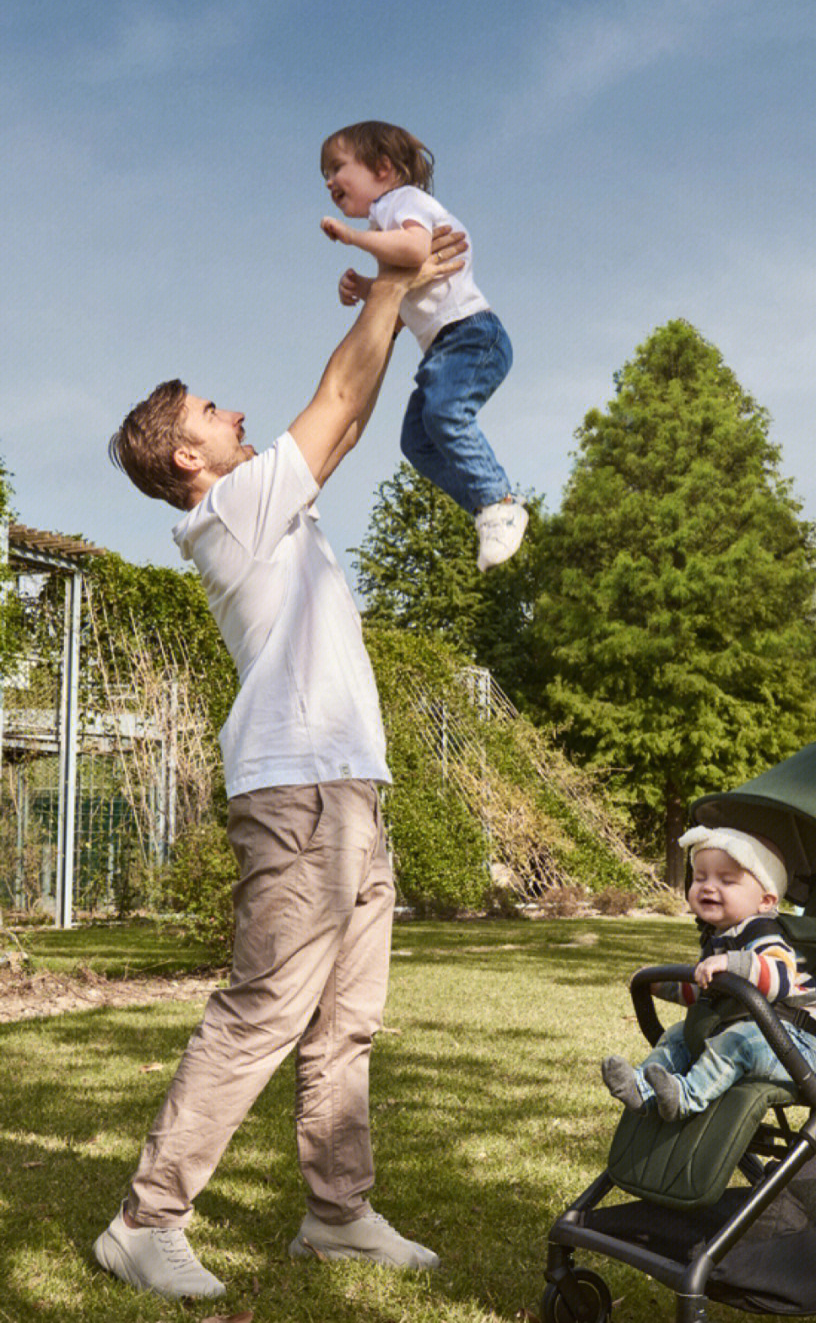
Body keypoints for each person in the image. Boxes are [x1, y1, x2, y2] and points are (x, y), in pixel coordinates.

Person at [94, 241, 463, 1300]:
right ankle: (145, 1217)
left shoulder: (272, 506)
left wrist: (394, 303)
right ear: (185, 457)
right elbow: (336, 393)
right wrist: (391, 282)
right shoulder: (229, 513)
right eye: (213, 409)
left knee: (346, 1018)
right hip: (299, 794)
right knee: (263, 1007)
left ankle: (337, 1212)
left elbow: (346, 414)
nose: (235, 410)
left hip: (348, 789)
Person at [319, 118, 527, 573]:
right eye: (325, 177)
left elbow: (415, 252)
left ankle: (499, 502)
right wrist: (367, 286)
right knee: (417, 442)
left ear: (383, 168)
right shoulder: (386, 215)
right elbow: (410, 283)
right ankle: (485, 506)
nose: (329, 181)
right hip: (446, 348)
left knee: (443, 415)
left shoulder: (401, 201)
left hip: (471, 335)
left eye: (337, 168)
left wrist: (352, 238)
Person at [601, 826, 816, 1121]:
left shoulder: (765, 935)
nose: (707, 886)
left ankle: (685, 1097)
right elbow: (705, 990)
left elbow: (779, 979)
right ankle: (642, 1088)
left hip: (790, 1046)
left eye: (726, 880)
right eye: (700, 877)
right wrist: (659, 985)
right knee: (679, 1034)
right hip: (744, 1031)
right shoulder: (717, 939)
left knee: (736, 1041)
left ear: (766, 901)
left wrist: (731, 963)